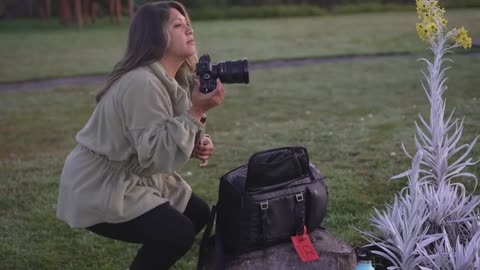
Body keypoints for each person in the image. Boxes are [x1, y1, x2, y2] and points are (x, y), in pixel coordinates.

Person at [56, 1, 225, 269]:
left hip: (137, 175)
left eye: (188, 23)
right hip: (100, 186)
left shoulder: (177, 77)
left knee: (198, 214)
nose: (189, 29)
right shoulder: (142, 83)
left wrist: (195, 139)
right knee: (177, 233)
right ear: (156, 36)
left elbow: (165, 134)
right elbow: (156, 155)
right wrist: (196, 113)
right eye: (178, 25)